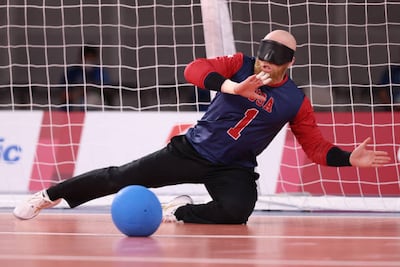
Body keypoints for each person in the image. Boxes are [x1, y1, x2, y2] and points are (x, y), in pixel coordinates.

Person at [13, 30, 391, 224]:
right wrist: (230, 86)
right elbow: (193, 69)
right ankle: (48, 195)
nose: (264, 67)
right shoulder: (239, 64)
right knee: (121, 176)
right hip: (194, 150)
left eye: (273, 63)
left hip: (235, 167)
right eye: (262, 58)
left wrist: (347, 159)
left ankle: (179, 212)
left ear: (288, 64)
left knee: (237, 212)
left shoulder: (296, 99)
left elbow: (315, 147)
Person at [59, 46, 112, 111]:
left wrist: (87, 90)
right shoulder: (72, 73)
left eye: (91, 58)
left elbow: (107, 91)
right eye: (86, 57)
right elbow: (62, 95)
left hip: (95, 108)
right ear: (81, 58)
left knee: (92, 98)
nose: (88, 61)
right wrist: (77, 94)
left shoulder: (100, 72)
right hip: (73, 109)